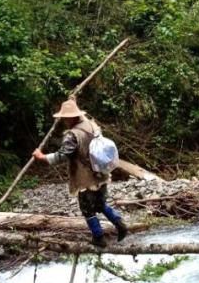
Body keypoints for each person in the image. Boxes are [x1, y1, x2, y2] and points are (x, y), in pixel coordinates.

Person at [32, 97, 127, 247]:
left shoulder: (72, 135)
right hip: (101, 173)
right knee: (100, 204)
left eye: (64, 118)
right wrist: (73, 101)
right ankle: (120, 224)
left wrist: (42, 157)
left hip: (86, 178)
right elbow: (82, 118)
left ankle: (98, 237)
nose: (63, 120)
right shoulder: (91, 124)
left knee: (87, 210)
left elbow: (62, 155)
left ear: (69, 118)